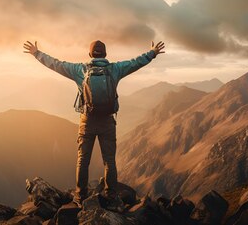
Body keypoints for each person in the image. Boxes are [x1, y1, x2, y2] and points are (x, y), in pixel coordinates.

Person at [23, 39, 165, 208]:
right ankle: (112, 196)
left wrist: (36, 53)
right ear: (105, 54)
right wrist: (152, 53)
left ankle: (80, 196)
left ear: (90, 54)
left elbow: (56, 64)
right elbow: (136, 63)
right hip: (107, 121)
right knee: (109, 161)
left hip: (87, 121)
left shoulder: (80, 70)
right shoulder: (115, 69)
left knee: (83, 160)